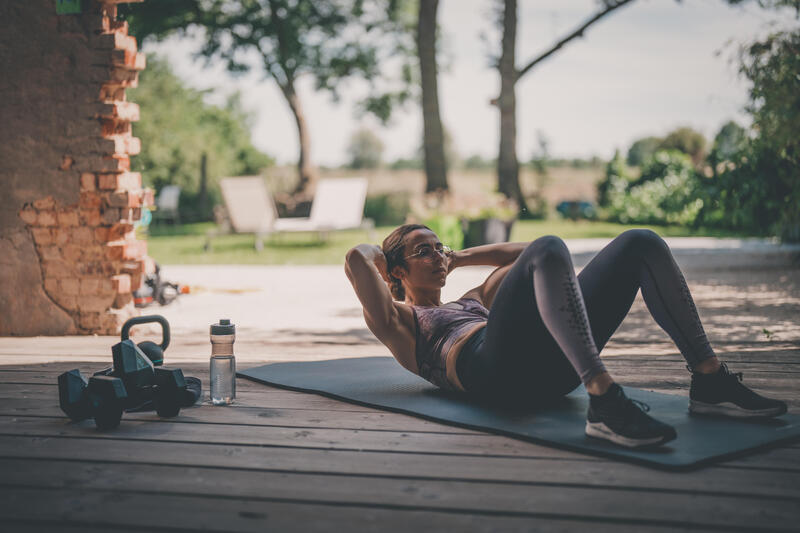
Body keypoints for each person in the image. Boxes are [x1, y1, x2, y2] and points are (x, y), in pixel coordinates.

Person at [344, 225, 788, 449]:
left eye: (440, 246)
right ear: (397, 270)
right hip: (490, 371)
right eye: (425, 251)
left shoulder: (474, 296)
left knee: (640, 242)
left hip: (550, 371)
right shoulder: (399, 322)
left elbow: (529, 253)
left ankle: (709, 379)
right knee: (548, 247)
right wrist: (380, 256)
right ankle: (605, 399)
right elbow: (354, 259)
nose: (438, 254)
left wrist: (456, 257)